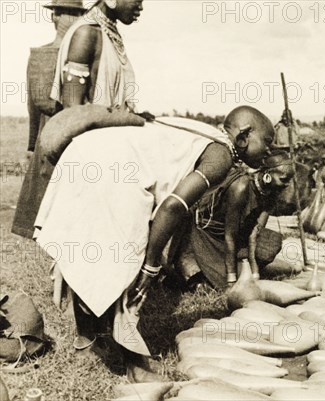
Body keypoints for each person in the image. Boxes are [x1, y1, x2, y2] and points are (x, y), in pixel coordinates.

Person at [33, 105, 274, 382]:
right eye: (267, 141)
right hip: (109, 169)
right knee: (126, 268)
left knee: (97, 258)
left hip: (86, 155)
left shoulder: (204, 136)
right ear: (243, 136)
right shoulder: (221, 155)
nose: (270, 150)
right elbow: (172, 207)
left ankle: (87, 344)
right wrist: (150, 265)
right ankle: (135, 365)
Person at [12, 0, 143, 239]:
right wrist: (130, 120)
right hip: (86, 156)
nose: (141, 7)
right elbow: (74, 114)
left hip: (106, 150)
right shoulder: (86, 33)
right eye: (138, 0)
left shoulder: (108, 34)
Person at [11, 0, 86, 239]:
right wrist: (32, 145)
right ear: (56, 16)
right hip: (63, 135)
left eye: (75, 13)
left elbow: (34, 107)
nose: (70, 19)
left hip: (66, 134)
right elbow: (33, 107)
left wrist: (33, 145)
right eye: (67, 13)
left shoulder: (45, 55)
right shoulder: (44, 55)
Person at [173, 150, 295, 290]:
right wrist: (231, 280)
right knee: (221, 281)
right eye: (284, 179)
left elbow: (254, 234)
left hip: (238, 236)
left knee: (270, 245)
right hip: (209, 233)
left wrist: (255, 273)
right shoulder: (241, 187)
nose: (287, 185)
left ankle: (224, 268)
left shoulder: (272, 193)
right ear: (267, 175)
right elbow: (229, 235)